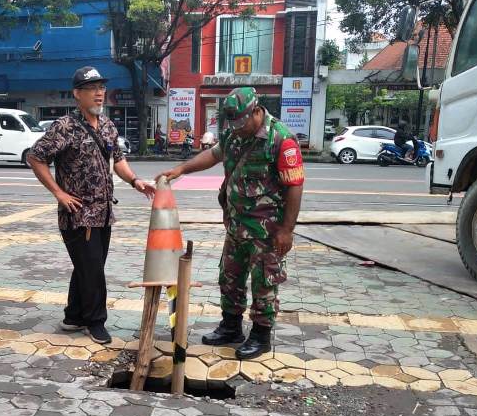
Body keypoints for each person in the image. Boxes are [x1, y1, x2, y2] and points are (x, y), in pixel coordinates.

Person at [157, 87, 305, 360]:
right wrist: (181, 169)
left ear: (257, 112)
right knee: (229, 277)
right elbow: (214, 155)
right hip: (236, 226)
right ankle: (231, 327)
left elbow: (295, 186)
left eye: (241, 123)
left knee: (264, 282)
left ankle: (260, 336)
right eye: (233, 125)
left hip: (267, 232)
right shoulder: (234, 134)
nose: (237, 129)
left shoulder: (281, 140)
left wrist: (287, 230)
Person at [28, 66, 155, 345]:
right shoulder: (64, 127)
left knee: (88, 266)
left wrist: (136, 181)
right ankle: (95, 321)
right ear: (77, 94)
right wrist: (58, 193)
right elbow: (35, 157)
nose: (99, 93)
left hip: (104, 213)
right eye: (92, 89)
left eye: (102, 88)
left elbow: (118, 159)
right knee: (93, 269)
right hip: (78, 215)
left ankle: (73, 316)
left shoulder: (108, 125)